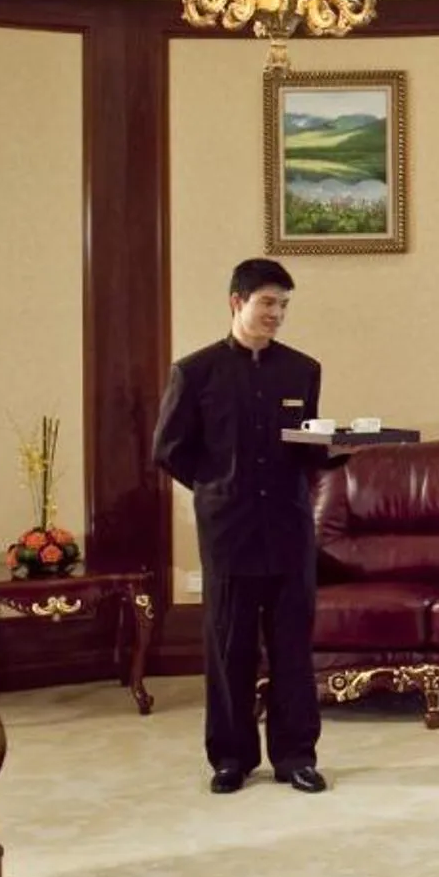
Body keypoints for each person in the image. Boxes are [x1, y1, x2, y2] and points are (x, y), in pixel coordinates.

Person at [153, 257, 338, 796]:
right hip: (228, 531)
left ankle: (296, 756)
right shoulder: (196, 372)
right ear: (237, 302)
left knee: (291, 648)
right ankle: (231, 758)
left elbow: (306, 449)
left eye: (283, 305)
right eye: (267, 303)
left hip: (288, 528)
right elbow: (169, 451)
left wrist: (336, 453)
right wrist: (216, 489)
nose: (277, 314)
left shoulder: (302, 370)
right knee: (228, 644)